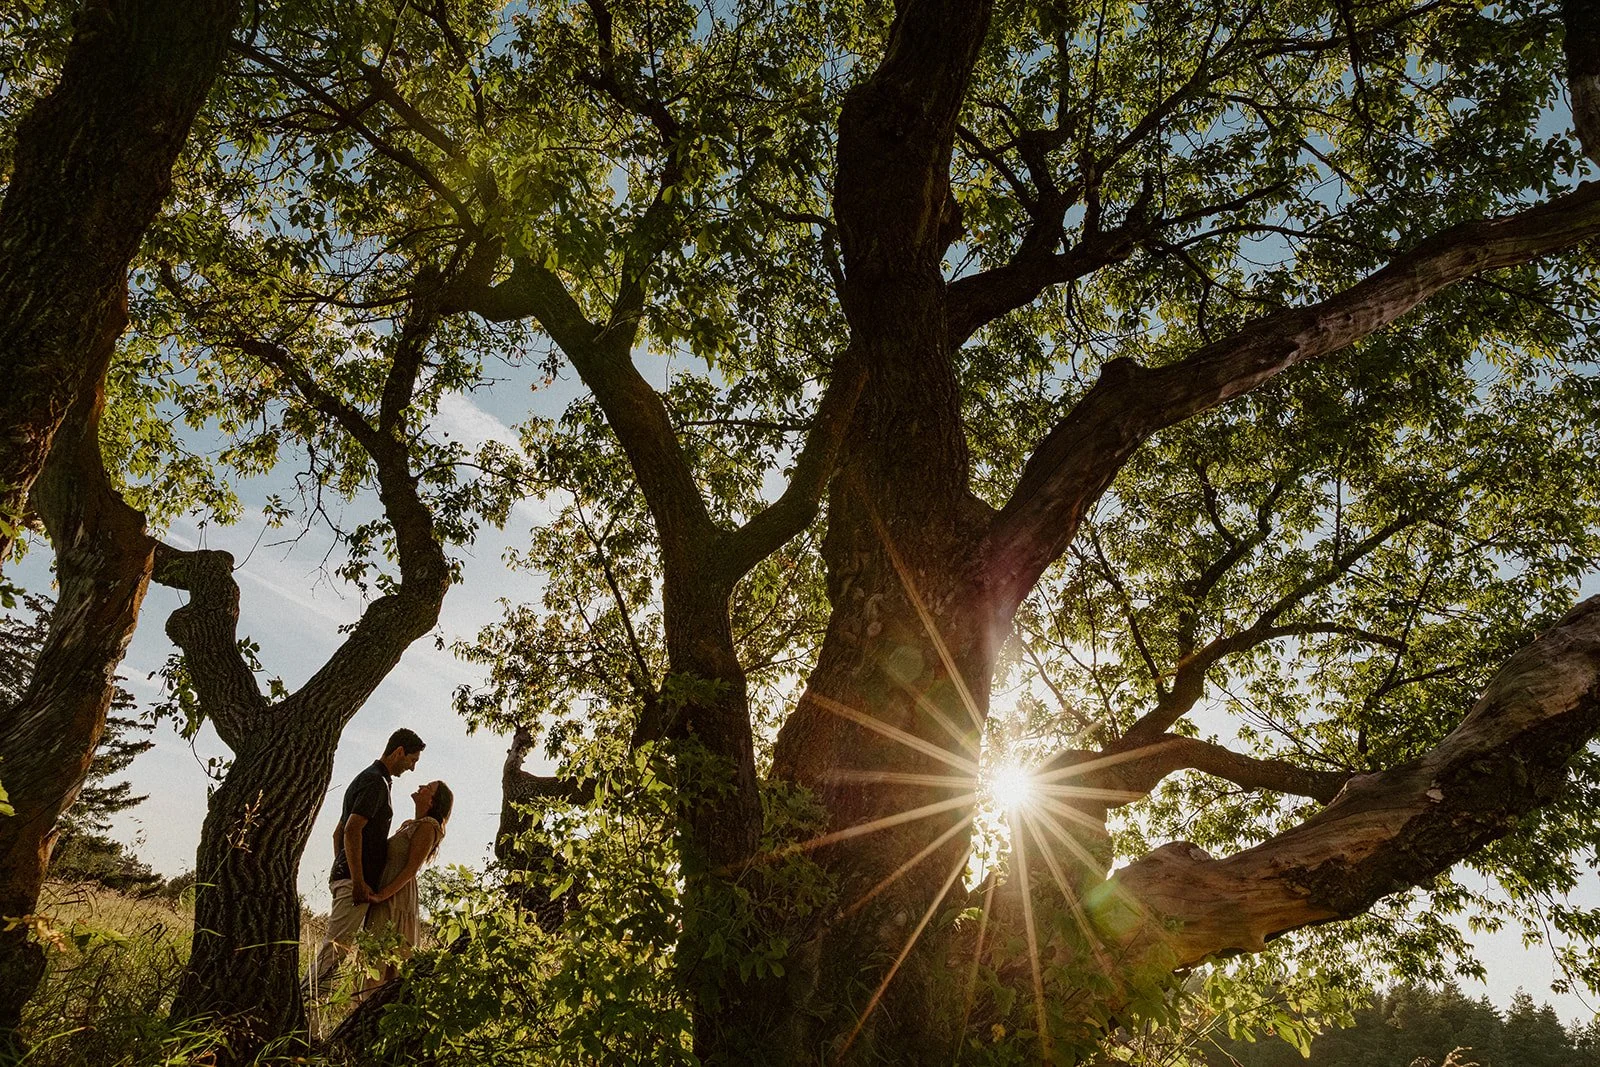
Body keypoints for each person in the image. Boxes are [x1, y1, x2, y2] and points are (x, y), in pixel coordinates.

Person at [303, 728, 425, 999]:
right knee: (335, 949)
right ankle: (303, 1007)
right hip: (356, 882)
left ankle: (306, 1008)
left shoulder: (370, 779)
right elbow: (351, 830)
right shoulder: (375, 783)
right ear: (399, 752)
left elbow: (340, 832)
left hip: (348, 877)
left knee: (340, 948)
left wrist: (340, 870)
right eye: (412, 761)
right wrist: (355, 879)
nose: (412, 768)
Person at [365, 779, 453, 984]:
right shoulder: (410, 825)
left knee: (384, 960)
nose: (420, 787)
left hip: (396, 896)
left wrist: (382, 895)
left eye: (427, 788)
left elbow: (411, 869)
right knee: (373, 955)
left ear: (432, 801)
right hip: (387, 890)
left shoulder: (428, 827)